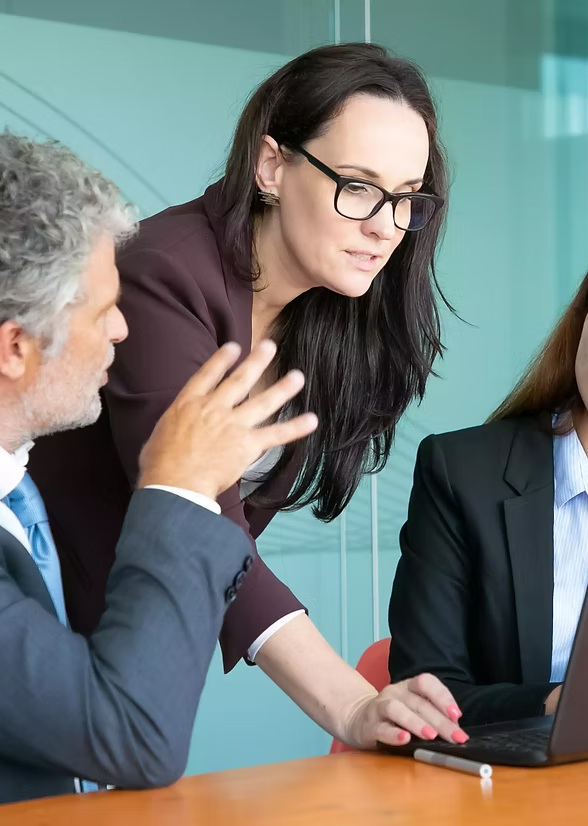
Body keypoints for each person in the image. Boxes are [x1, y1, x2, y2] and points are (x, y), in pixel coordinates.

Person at [29, 42, 467, 747]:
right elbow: (201, 512)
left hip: (135, 646)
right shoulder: (164, 276)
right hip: (43, 642)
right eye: (357, 186)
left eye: (405, 198)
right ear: (271, 166)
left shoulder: (325, 310)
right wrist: (351, 704)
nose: (386, 225)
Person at [0, 130, 319, 803]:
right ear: (16, 347)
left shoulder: (17, 491)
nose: (122, 330)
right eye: (103, 309)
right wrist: (178, 483)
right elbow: (135, 734)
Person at [389, 224, 588, 727]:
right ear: (586, 314)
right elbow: (426, 693)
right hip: (508, 792)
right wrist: (558, 704)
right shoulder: (462, 475)